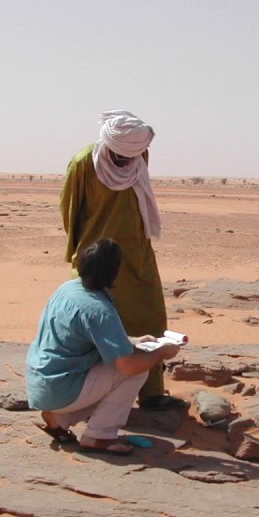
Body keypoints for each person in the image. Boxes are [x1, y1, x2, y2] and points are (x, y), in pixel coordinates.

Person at [59, 110, 189, 412]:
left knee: (151, 317)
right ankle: (94, 390)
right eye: (118, 156)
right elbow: (70, 211)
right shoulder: (83, 164)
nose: (124, 162)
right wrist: (80, 254)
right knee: (99, 323)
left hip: (136, 254)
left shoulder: (139, 159)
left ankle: (152, 392)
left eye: (130, 156)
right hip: (98, 257)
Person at [25, 238, 183, 455]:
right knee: (136, 372)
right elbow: (128, 366)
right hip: (60, 388)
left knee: (121, 364)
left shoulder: (67, 288)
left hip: (40, 383)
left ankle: (60, 418)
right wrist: (161, 353)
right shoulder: (99, 310)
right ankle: (99, 437)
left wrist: (134, 341)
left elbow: (87, 334)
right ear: (114, 271)